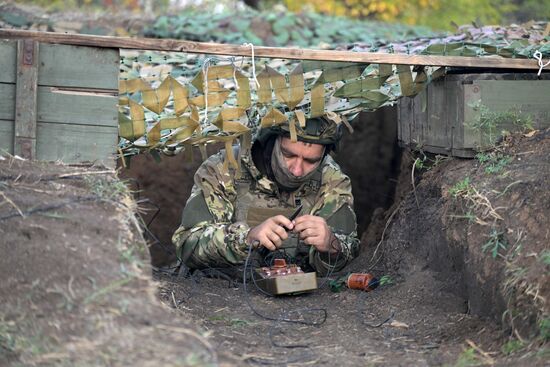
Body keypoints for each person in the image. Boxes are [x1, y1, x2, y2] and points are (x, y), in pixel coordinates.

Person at [172, 115, 359, 276]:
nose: (296, 170)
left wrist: (331, 245)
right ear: (271, 142)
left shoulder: (331, 179)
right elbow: (187, 245)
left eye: (311, 161)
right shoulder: (223, 168)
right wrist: (246, 239)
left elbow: (349, 253)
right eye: (288, 154)